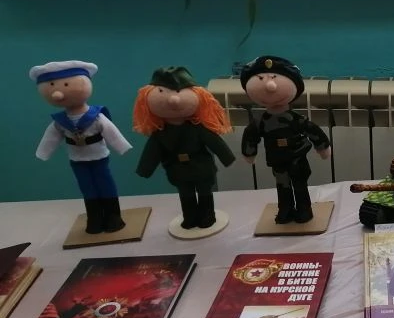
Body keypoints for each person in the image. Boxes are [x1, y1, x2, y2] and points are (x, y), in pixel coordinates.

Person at [30, 60, 131, 234]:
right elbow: (51, 138)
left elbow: (111, 131)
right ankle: (94, 219)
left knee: (105, 184)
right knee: (87, 188)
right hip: (77, 159)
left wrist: (121, 146)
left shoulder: (96, 116)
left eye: (66, 85)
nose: (58, 93)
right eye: (52, 86)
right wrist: (43, 153)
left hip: (99, 156)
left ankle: (113, 216)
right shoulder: (60, 122)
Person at [133, 67, 236, 230]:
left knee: (204, 191)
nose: (174, 99)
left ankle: (207, 216)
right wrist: (145, 169)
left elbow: (215, 143)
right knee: (185, 193)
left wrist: (227, 157)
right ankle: (190, 217)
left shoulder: (197, 128)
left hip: (201, 167)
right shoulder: (160, 133)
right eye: (162, 91)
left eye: (179, 91)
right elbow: (151, 152)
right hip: (178, 169)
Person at [240, 56, 331, 224]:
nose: (270, 85)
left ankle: (304, 210)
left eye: (274, 78)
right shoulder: (261, 122)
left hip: (297, 158)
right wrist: (249, 152)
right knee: (283, 187)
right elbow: (251, 136)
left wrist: (322, 147)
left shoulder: (295, 119)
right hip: (278, 160)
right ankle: (285, 211)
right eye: (261, 79)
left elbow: (312, 130)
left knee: (300, 186)